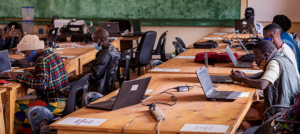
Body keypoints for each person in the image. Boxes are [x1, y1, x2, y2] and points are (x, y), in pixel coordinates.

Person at [2, 35, 69, 134]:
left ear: (34, 49)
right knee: (19, 107)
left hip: (52, 103)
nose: (24, 56)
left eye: (25, 52)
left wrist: (17, 77)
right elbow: (51, 75)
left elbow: (42, 85)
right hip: (62, 99)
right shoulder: (52, 54)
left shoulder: (41, 60)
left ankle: (13, 131)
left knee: (13, 106)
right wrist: (36, 73)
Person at [230, 40, 300, 130]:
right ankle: (261, 128)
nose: (255, 61)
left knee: (235, 113)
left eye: (256, 58)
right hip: (287, 103)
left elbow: (262, 84)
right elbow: (266, 74)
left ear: (266, 55)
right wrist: (246, 76)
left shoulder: (274, 63)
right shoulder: (281, 56)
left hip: (279, 108)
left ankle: (263, 131)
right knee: (246, 107)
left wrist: (243, 79)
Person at [68, 28, 120, 95]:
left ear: (101, 40)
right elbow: (95, 71)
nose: (94, 43)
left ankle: (69, 105)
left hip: (98, 86)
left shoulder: (105, 55)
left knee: (68, 86)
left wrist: (76, 77)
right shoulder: (111, 48)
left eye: (95, 41)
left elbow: (94, 75)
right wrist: (79, 76)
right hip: (104, 83)